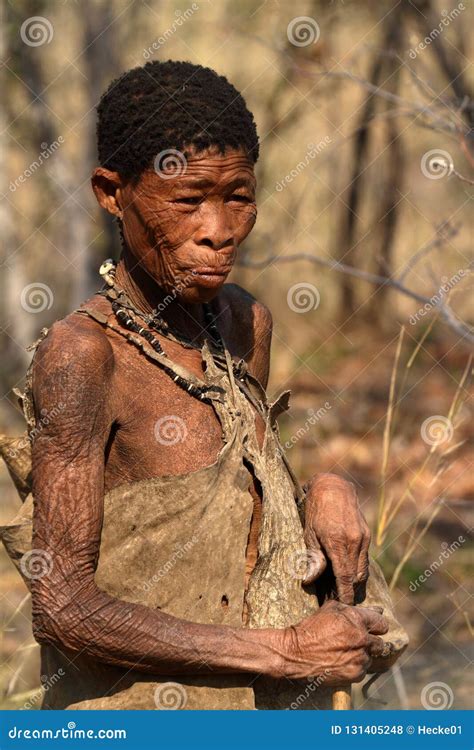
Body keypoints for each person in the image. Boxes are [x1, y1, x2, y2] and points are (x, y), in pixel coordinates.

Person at [1, 60, 406, 710]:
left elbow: (249, 514)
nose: (217, 230)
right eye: (187, 201)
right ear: (112, 193)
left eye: (238, 197)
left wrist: (325, 492)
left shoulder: (245, 325)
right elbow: (64, 609)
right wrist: (285, 651)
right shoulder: (83, 357)